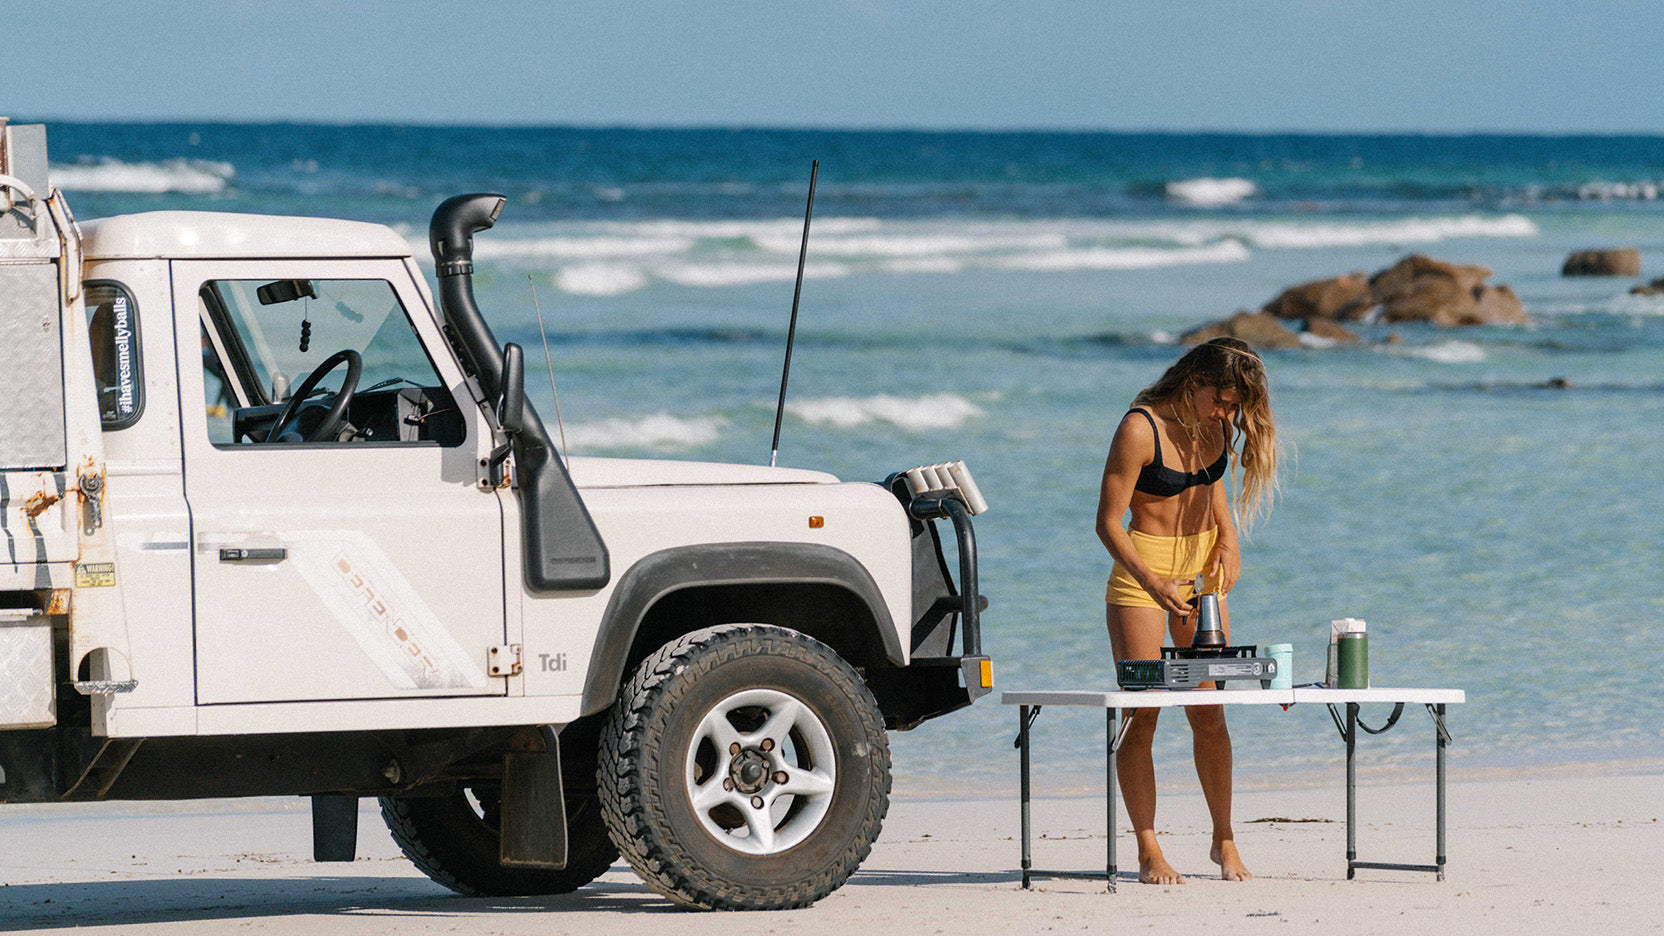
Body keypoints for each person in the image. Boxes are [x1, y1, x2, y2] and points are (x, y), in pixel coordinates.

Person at [1093, 336, 1279, 884]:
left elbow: (1212, 484)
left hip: (1202, 575)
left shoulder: (1216, 423)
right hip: (1141, 575)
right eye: (1220, 399)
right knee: (1143, 713)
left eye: (1233, 405)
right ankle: (1149, 849)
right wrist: (1152, 583)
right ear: (1194, 381)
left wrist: (1230, 539)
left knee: (1209, 714)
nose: (1227, 412)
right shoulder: (1139, 428)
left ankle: (1224, 840)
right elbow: (1107, 521)